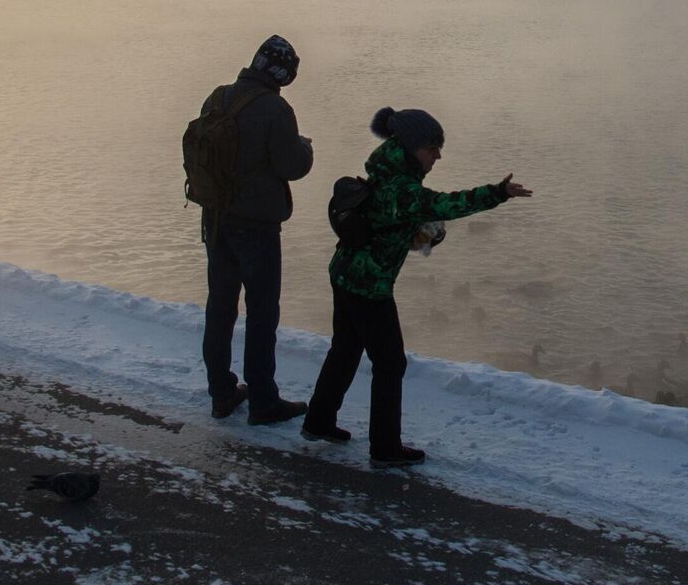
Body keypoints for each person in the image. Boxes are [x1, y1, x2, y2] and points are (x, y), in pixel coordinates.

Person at [303, 106, 532, 466]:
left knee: (345, 350)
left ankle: (318, 421)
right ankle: (385, 448)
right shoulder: (402, 188)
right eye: (432, 148)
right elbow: (447, 204)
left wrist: (419, 235)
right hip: (369, 284)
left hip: (346, 273)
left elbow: (390, 225)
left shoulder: (385, 171)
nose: (438, 156)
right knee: (391, 363)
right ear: (411, 147)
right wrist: (498, 192)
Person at [200, 35, 314, 424]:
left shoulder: (217, 97)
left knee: (220, 308)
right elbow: (291, 166)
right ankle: (264, 400)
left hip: (215, 221)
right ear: (281, 74)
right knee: (262, 314)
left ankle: (221, 393)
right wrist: (305, 148)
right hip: (257, 227)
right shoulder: (276, 109)